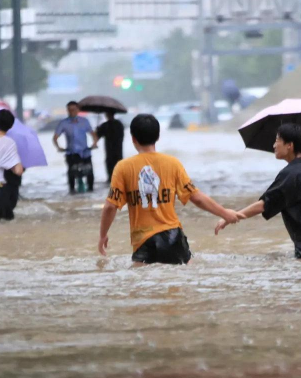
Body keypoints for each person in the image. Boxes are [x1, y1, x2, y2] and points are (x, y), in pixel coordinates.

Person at [99, 113, 244, 265]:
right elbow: (196, 197)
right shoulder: (173, 163)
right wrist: (225, 213)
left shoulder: (123, 167)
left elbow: (110, 206)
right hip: (174, 236)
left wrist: (103, 235)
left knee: (141, 285)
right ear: (158, 136)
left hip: (144, 241)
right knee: (184, 277)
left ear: (133, 138)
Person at [216, 123, 301, 260]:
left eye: (277, 140)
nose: (274, 145)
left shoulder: (289, 174)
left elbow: (264, 204)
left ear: (289, 145)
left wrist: (233, 216)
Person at [53, 101, 98, 193]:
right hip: (71, 153)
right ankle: (72, 190)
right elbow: (55, 138)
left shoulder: (84, 121)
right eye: (69, 110)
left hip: (85, 152)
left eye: (73, 109)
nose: (71, 112)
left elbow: (93, 134)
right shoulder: (63, 123)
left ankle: (91, 190)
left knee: (90, 173)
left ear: (78, 110)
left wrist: (94, 143)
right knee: (71, 174)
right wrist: (59, 147)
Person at [96, 111, 124, 182]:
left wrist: (98, 129)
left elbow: (97, 136)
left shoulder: (105, 125)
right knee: (118, 165)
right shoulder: (119, 124)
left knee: (110, 165)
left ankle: (111, 179)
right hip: (118, 149)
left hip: (110, 149)